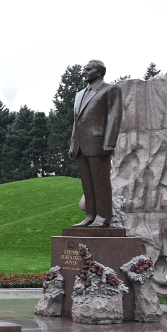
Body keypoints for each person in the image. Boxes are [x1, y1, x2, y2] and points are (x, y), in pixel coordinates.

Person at [69, 59, 122, 228]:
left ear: (99, 72)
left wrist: (109, 142)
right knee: (87, 183)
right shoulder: (79, 95)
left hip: (99, 144)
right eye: (84, 69)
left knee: (101, 183)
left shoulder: (111, 89)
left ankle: (103, 217)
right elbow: (76, 122)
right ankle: (90, 216)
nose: (84, 72)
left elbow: (114, 116)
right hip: (80, 145)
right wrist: (72, 144)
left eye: (88, 69)